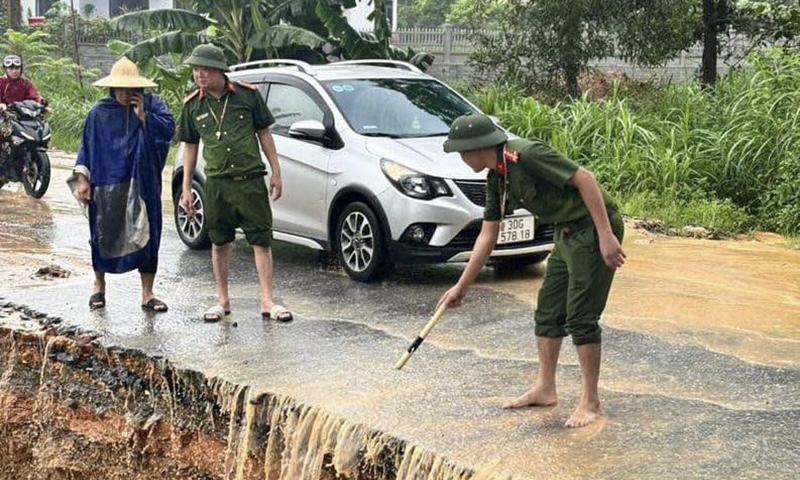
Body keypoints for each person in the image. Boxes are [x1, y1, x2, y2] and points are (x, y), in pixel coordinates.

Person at [435, 113, 626, 428]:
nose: (459, 156)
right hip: (566, 231)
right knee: (549, 310)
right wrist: (461, 286)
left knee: (580, 315)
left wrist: (606, 235)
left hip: (593, 227)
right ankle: (545, 388)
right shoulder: (497, 177)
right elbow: (488, 234)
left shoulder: (525, 154)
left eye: (460, 150)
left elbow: (585, 179)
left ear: (475, 147)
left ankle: (591, 401)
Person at [178, 44, 293, 323]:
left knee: (261, 241)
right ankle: (223, 301)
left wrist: (276, 172)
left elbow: (265, 134)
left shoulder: (246, 96)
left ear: (219, 69)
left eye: (204, 68)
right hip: (217, 183)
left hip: (250, 180)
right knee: (219, 243)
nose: (199, 74)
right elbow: (190, 147)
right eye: (195, 69)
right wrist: (185, 188)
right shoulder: (193, 105)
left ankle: (267, 300)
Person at [70, 57, 175, 313]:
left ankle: (147, 293)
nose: (125, 94)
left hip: (142, 182)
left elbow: (169, 131)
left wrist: (144, 118)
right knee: (102, 233)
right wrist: (82, 179)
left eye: (131, 89)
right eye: (121, 89)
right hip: (107, 183)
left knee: (149, 235)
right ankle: (98, 286)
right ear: (112, 88)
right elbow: (86, 146)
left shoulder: (152, 106)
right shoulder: (99, 113)